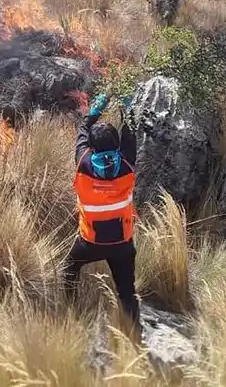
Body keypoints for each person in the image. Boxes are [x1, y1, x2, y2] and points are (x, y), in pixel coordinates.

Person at [64, 92, 142, 337]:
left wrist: (98, 106)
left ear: (92, 148)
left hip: (90, 243)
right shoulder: (127, 162)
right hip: (122, 244)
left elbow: (83, 129)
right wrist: (127, 107)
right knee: (127, 293)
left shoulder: (84, 163)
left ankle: (72, 312)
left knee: (68, 270)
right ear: (118, 147)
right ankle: (135, 335)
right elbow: (130, 132)